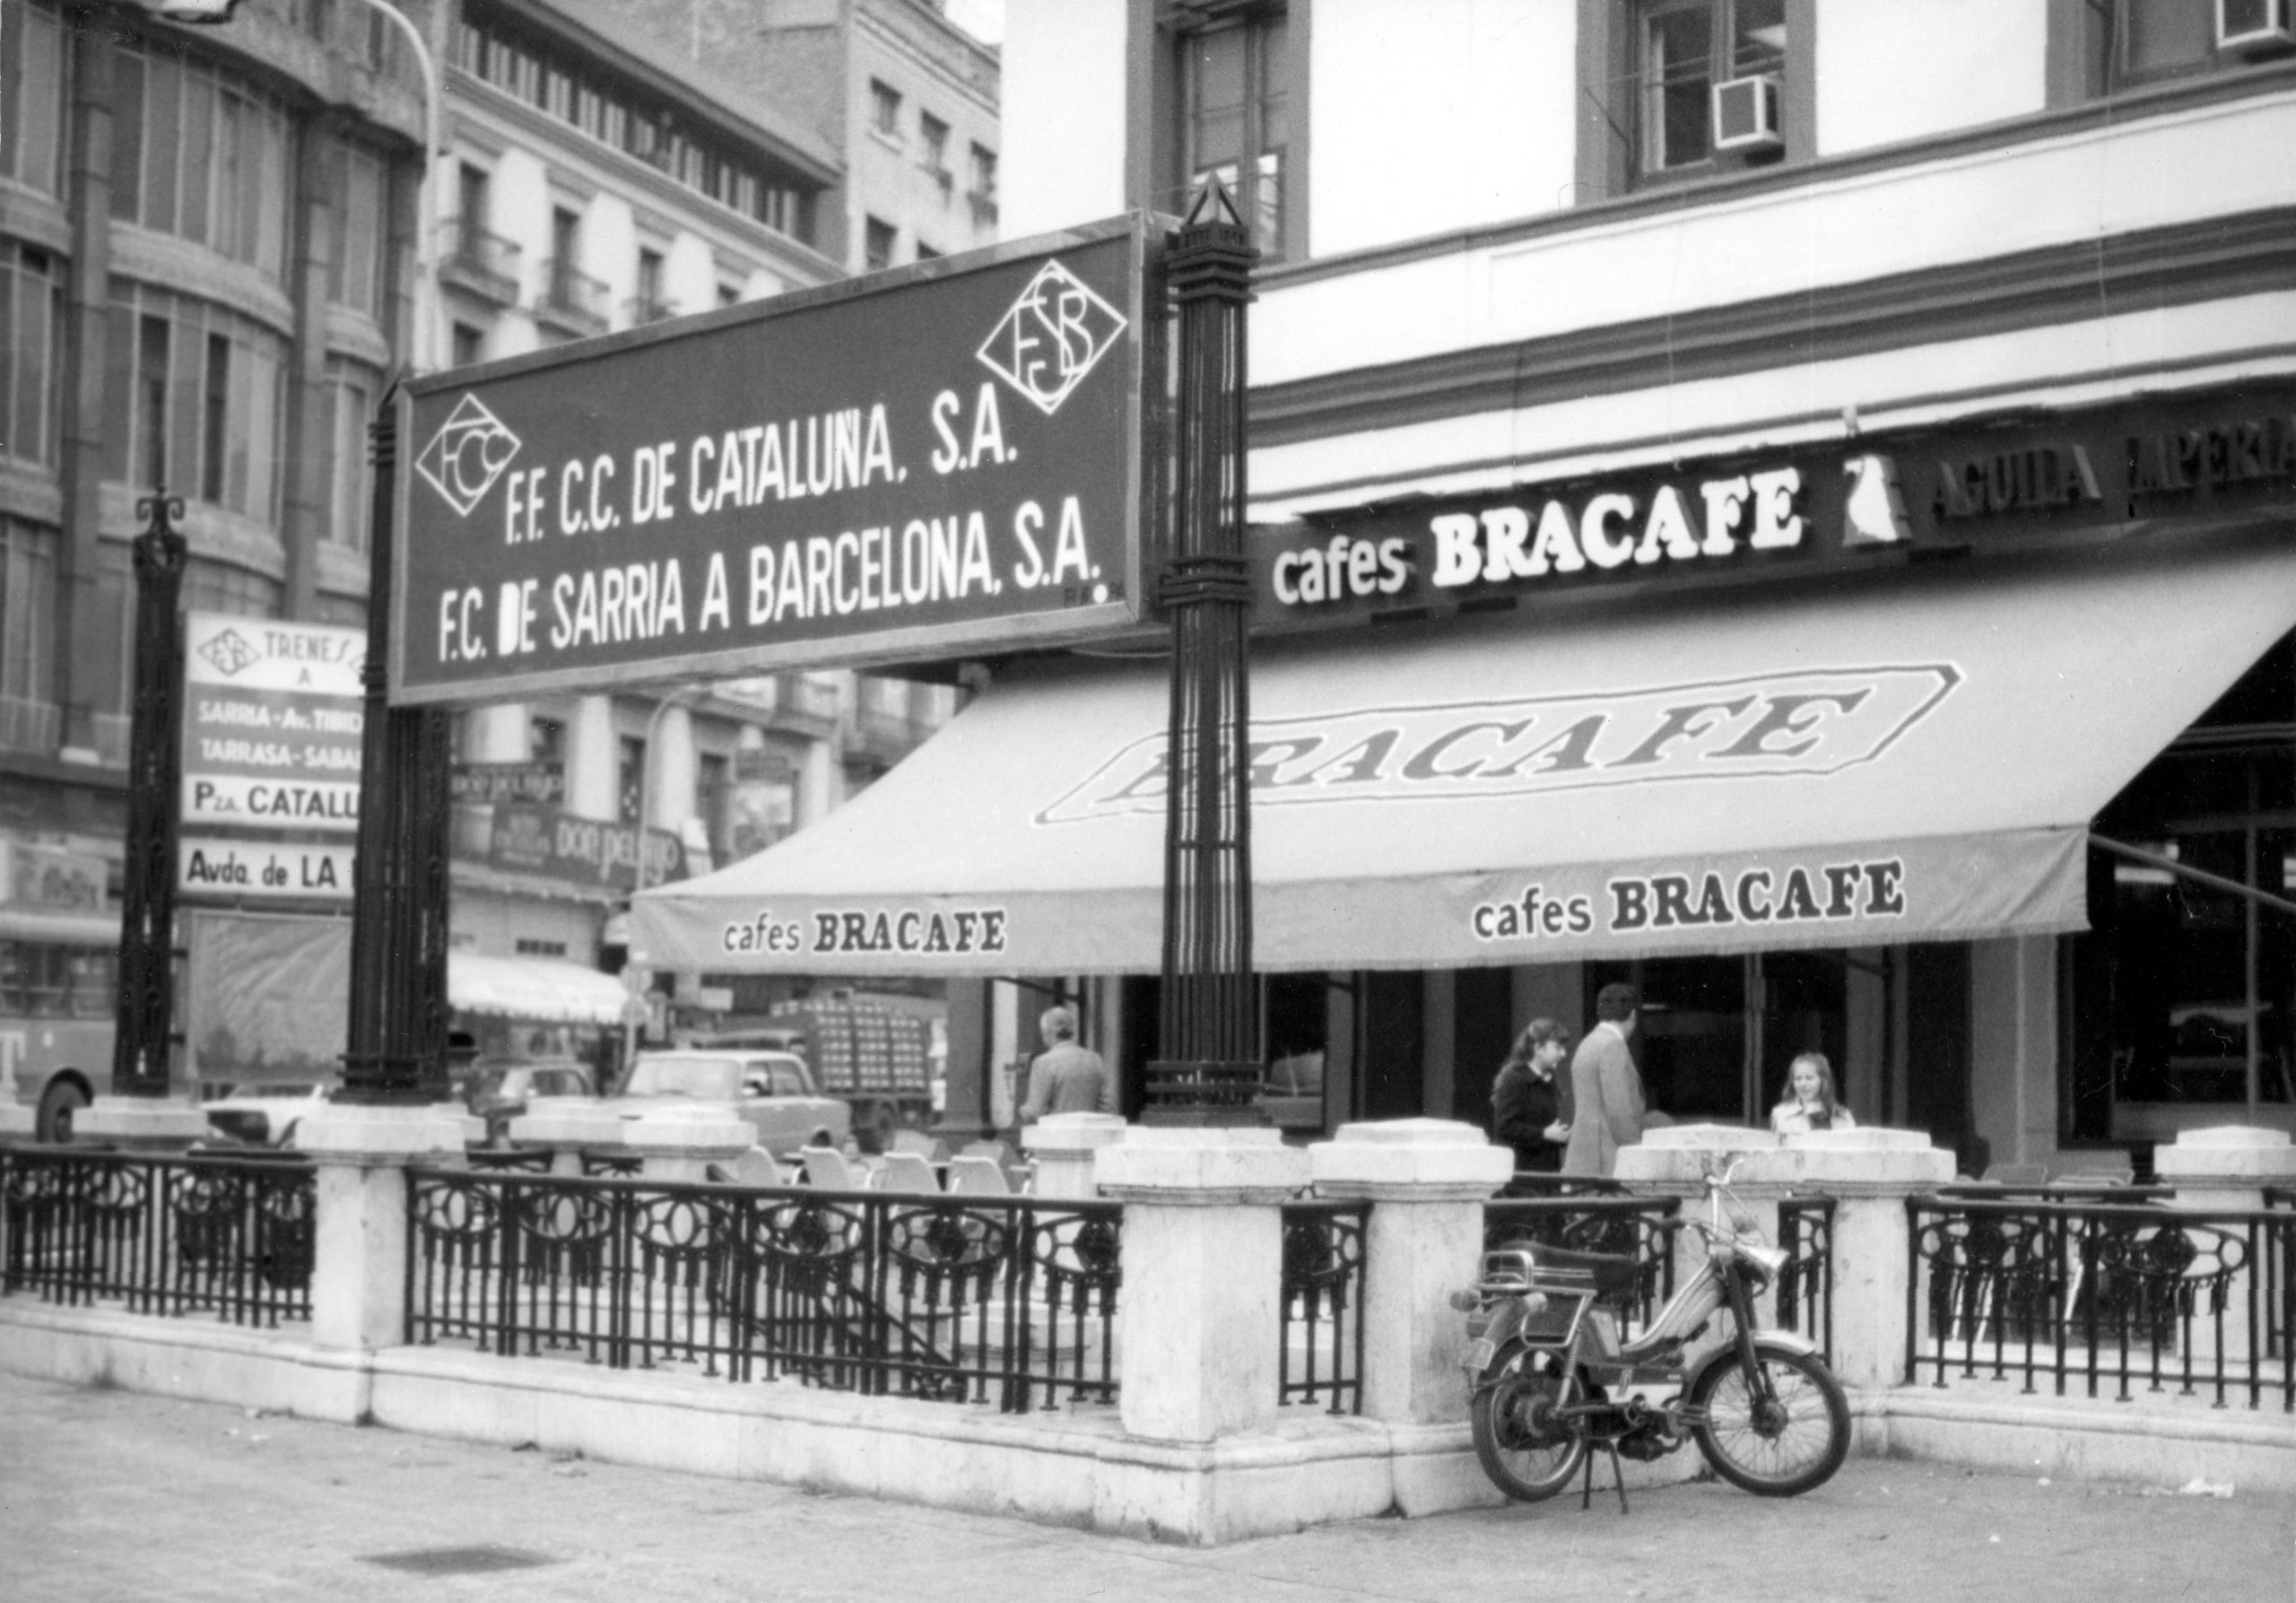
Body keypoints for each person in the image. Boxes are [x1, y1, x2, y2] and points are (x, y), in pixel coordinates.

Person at [1562, 983, 1647, 1178]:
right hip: (1607, 1159)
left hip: (1583, 1155)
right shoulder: (1613, 1046)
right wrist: (1634, 1152)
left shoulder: (1588, 1043)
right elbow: (1619, 1110)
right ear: (1633, 1014)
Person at [1490, 1019, 1571, 1174]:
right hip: (1521, 1175)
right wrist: (1544, 1134)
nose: (1563, 1053)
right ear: (1537, 1048)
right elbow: (1504, 1127)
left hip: (1546, 1173)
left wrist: (1559, 1135)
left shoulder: (1548, 1078)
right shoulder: (1514, 1079)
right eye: (1557, 1047)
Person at [1020, 1004, 1114, 1119]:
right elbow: (1107, 1106)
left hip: (1055, 1135)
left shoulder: (1043, 1063)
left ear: (1048, 1033)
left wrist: (1022, 1111)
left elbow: (1034, 1112)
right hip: (1088, 1134)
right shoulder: (1095, 1060)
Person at [1771, 1051, 1856, 1134]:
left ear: (1823, 1081)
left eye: (1809, 1078)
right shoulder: (1781, 1114)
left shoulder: (1843, 1116)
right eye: (1798, 1079)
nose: (1803, 1084)